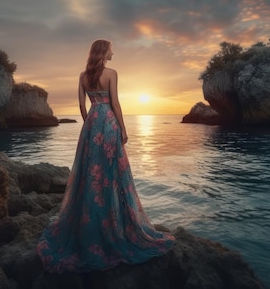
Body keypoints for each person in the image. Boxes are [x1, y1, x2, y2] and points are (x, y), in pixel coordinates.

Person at [36, 39, 175, 273]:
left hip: (91, 124)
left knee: (91, 173)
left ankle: (91, 222)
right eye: (111, 48)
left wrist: (89, 122)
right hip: (109, 123)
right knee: (112, 174)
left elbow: (81, 104)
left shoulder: (82, 76)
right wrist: (123, 128)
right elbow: (116, 103)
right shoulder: (111, 73)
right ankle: (114, 222)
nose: (113, 52)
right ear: (103, 51)